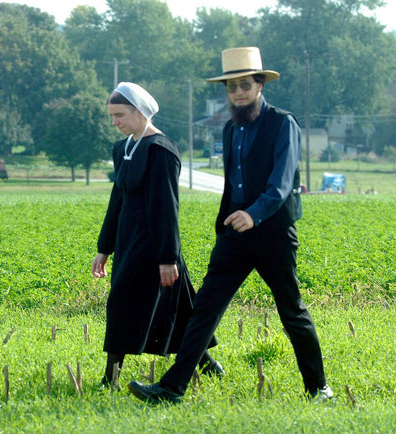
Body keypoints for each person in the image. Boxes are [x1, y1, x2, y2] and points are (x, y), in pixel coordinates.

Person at [128, 47, 333, 403]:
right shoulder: (229, 128)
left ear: (259, 86)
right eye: (232, 87)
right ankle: (172, 388)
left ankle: (320, 389)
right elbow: (232, 182)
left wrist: (254, 213)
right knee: (204, 308)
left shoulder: (283, 123)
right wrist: (227, 227)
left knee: (291, 311)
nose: (238, 93)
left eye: (244, 85)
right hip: (234, 235)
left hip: (273, 235)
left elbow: (282, 183)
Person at [92, 82, 222, 389]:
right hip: (128, 242)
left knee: (127, 304)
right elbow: (117, 200)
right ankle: (208, 365)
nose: (115, 122)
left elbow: (166, 208)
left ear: (139, 113)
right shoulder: (122, 149)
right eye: (112, 116)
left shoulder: (161, 150)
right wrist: (104, 247)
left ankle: (109, 379)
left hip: (154, 245)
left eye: (120, 115)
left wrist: (167, 257)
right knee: (175, 309)